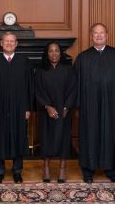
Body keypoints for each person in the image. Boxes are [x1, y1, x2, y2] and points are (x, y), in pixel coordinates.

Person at [74, 23, 115, 183]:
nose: (99, 36)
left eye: (102, 33)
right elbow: (76, 84)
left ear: (107, 35)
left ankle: (111, 170)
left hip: (112, 103)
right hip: (89, 105)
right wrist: (78, 106)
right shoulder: (83, 57)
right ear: (91, 36)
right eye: (95, 33)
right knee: (89, 135)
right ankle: (88, 171)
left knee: (110, 134)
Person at [0, 32, 34, 184]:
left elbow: (30, 87)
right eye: (6, 41)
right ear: (1, 43)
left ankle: (17, 171)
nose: (9, 44)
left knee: (19, 138)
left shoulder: (25, 62)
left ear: (16, 44)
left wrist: (28, 108)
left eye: (12, 41)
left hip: (19, 109)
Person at [35, 42, 76, 183]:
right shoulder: (40, 70)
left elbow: (73, 90)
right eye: (51, 51)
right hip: (46, 111)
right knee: (46, 139)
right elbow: (37, 90)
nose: (54, 54)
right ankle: (46, 167)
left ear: (61, 53)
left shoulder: (68, 69)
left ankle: (62, 169)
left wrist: (66, 107)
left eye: (56, 51)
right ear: (47, 54)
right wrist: (47, 106)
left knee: (63, 139)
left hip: (64, 110)